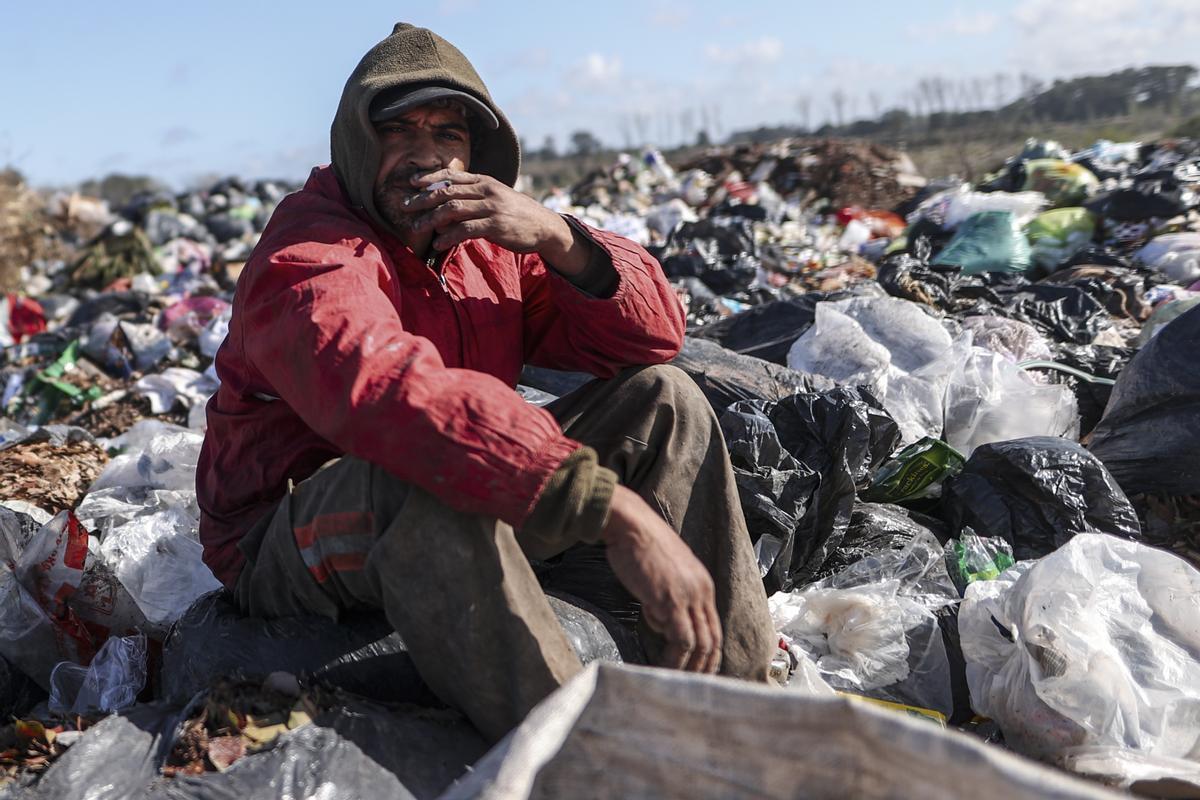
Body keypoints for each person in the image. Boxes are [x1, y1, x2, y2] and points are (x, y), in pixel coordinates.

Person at [197, 22, 775, 742]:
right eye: (398, 132)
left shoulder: (479, 242)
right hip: (291, 539)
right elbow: (383, 392)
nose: (427, 158)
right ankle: (585, 764)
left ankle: (748, 712)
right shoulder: (310, 253)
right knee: (427, 479)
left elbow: (651, 337)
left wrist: (560, 239)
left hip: (461, 478)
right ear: (354, 142)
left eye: (448, 133)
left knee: (667, 399)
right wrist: (609, 510)